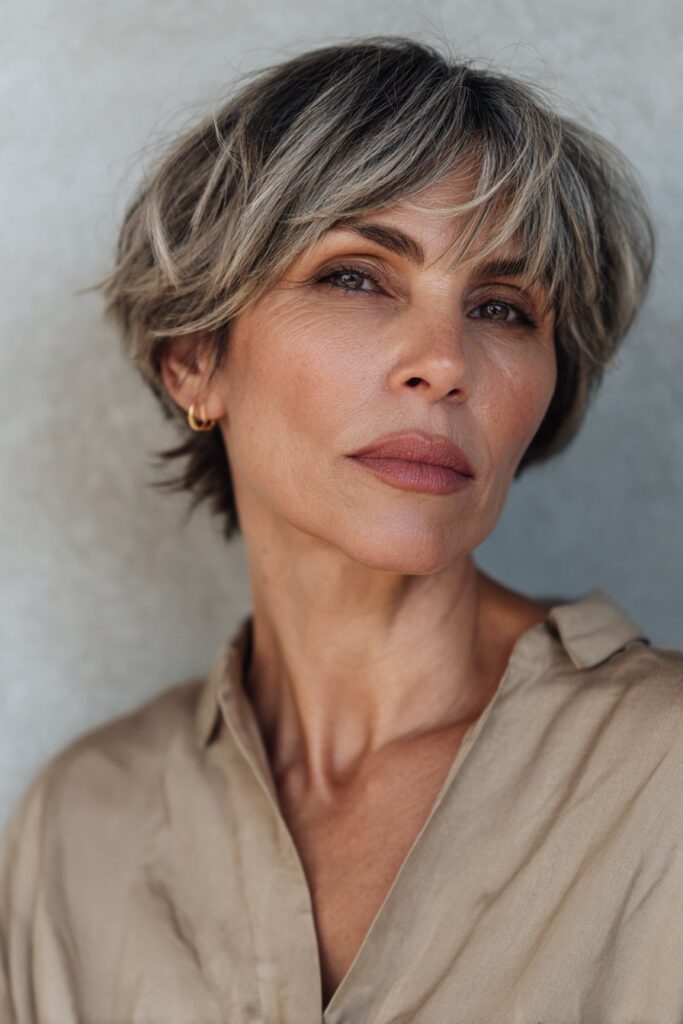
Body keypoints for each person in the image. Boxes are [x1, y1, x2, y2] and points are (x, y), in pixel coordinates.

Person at [1, 35, 681, 1024]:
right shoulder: (81, 824)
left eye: (500, 306)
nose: (442, 362)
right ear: (194, 359)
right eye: (356, 277)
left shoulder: (661, 777)